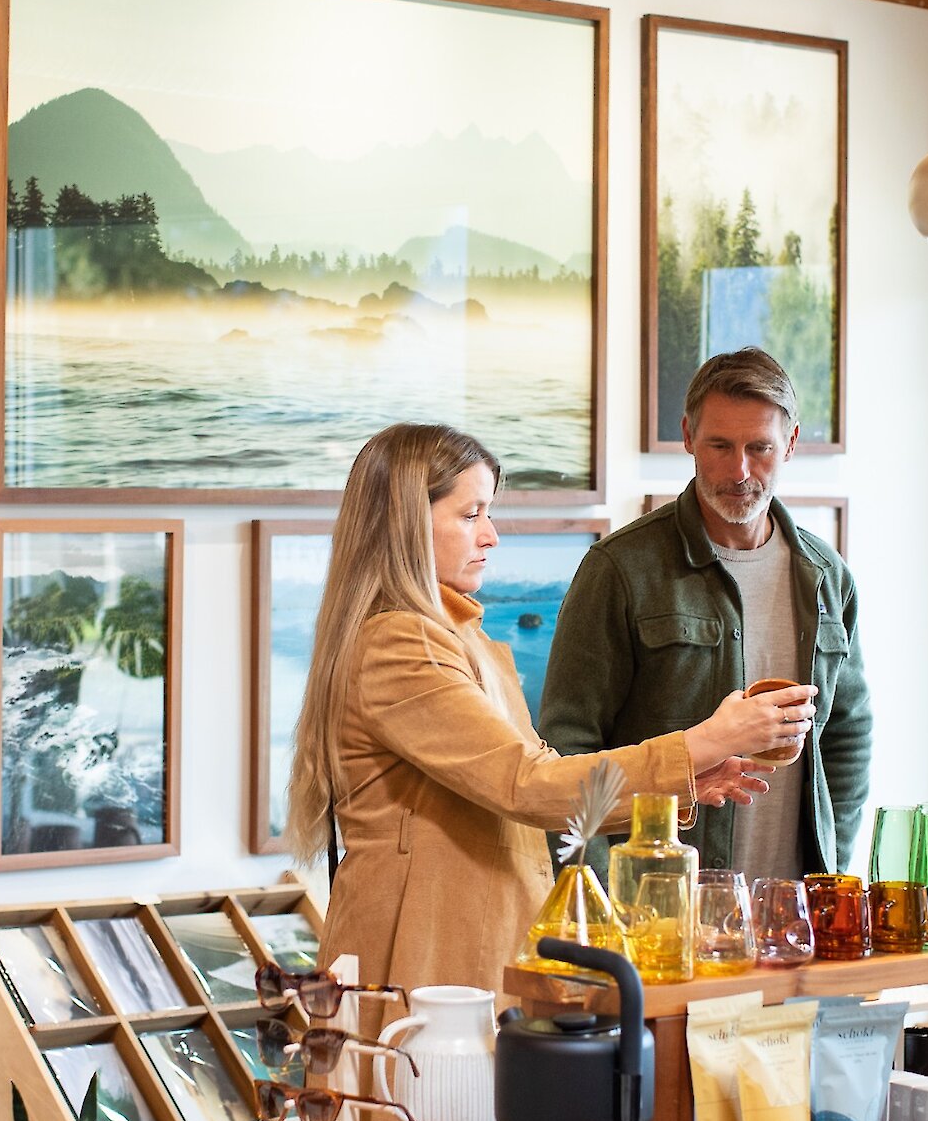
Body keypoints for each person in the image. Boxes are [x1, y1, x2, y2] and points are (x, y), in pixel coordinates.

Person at [285, 422, 812, 994]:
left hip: (465, 960)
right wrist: (710, 738)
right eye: (470, 515)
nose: (490, 537)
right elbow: (531, 785)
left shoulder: (461, 639)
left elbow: (542, 788)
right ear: (404, 524)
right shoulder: (401, 644)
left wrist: (683, 780)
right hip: (423, 970)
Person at [542, 347, 872, 880]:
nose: (739, 470)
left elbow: (846, 735)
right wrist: (597, 893)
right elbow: (566, 751)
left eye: (759, 447)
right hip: (655, 906)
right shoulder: (620, 569)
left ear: (790, 444)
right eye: (720, 445)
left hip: (790, 912)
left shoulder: (827, 575)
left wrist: (829, 870)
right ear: (688, 437)